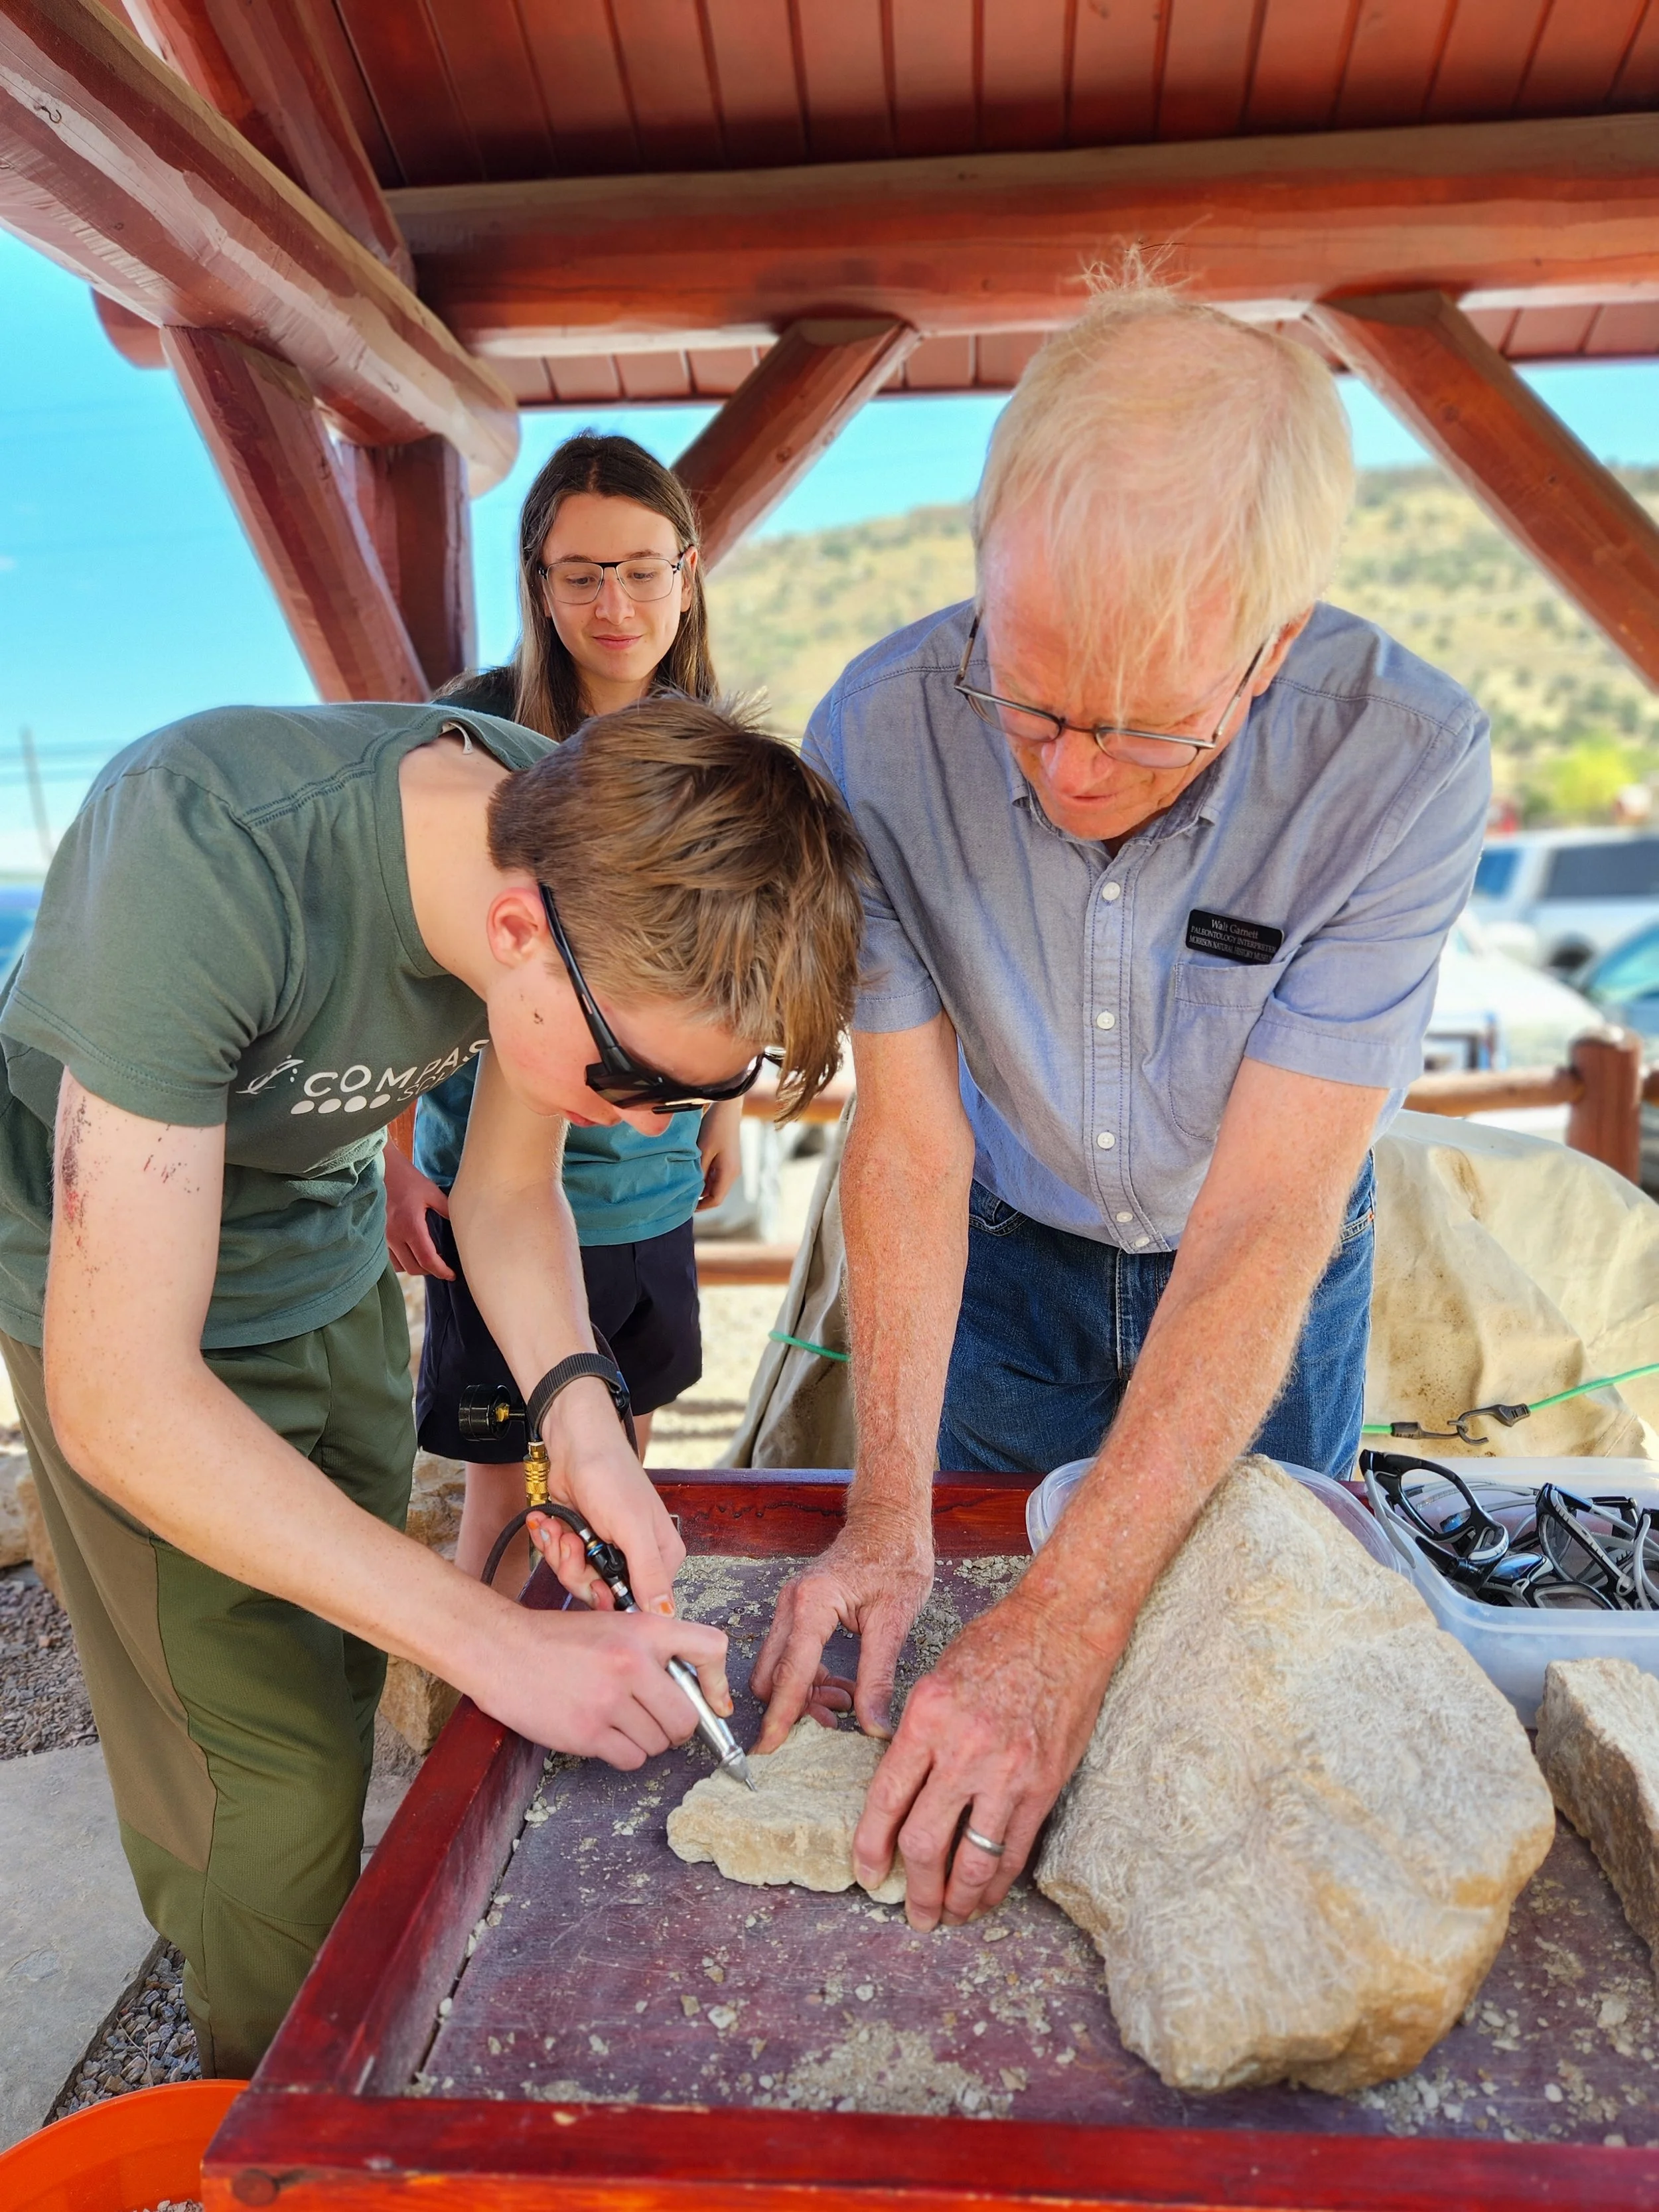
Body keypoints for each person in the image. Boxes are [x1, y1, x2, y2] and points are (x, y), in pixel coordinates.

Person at [750, 281, 1491, 1939]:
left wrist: (1073, 1623)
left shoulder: (1402, 759)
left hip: (1263, 1269)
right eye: (1026, 699)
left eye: (1144, 726)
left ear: (1270, 648)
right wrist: (882, 1516)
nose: (1072, 770)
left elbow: (1266, 1207)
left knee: (1238, 1695)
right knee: (963, 1633)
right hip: (1002, 1252)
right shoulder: (875, 732)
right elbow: (909, 1139)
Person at [0, 691, 863, 2075]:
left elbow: (507, 1194)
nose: (645, 1122)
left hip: (325, 1248)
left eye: (692, 1098)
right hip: (111, 1287)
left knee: (340, 1670)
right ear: (514, 931)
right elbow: (123, 1400)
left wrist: (588, 1432)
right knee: (266, 1790)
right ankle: (273, 2109)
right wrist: (495, 1644)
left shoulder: (566, 845)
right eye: (635, 1075)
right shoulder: (204, 847)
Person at [384, 433, 739, 1583]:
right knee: (507, 1488)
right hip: (486, 1176)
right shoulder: (469, 731)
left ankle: (602, 1658)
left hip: (645, 1183)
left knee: (620, 1455)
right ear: (537, 583)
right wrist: (394, 1153)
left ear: (687, 572)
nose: (614, 605)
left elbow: (727, 962)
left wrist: (723, 1111)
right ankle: (484, 1681)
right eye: (580, 574)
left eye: (640, 570)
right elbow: (406, 964)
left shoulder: (709, 742)